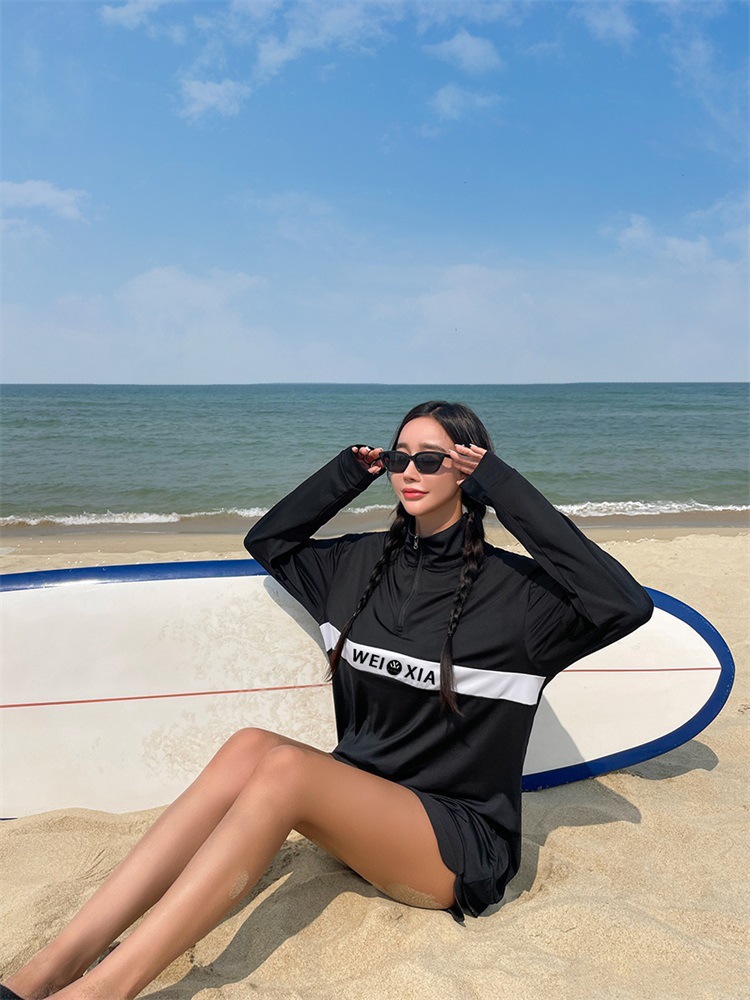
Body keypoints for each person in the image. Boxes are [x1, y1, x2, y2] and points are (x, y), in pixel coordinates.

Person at [2, 400, 653, 1000]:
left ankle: (104, 989)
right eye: (399, 457)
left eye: (432, 460)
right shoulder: (359, 565)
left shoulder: (522, 602)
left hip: (452, 847)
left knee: (285, 767)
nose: (410, 472)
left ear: (467, 470)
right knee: (250, 746)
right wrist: (345, 474)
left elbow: (625, 604)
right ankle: (56, 963)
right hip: (357, 813)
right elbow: (269, 541)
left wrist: (503, 486)